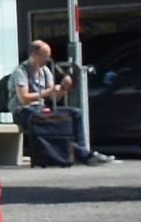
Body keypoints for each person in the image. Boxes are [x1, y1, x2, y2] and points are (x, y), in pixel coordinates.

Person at [14, 38, 107, 167]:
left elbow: (54, 99)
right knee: (46, 120)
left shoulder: (45, 71)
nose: (48, 60)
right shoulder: (21, 72)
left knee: (75, 113)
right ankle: (85, 155)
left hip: (41, 107)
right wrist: (48, 92)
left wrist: (63, 88)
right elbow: (23, 98)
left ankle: (80, 151)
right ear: (34, 56)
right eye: (45, 57)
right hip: (23, 110)